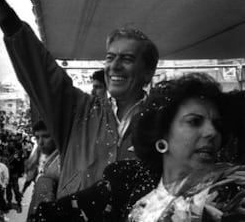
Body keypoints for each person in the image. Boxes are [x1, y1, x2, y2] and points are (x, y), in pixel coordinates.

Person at [0, 0, 159, 198]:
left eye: (127, 59)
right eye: (110, 57)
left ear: (148, 72)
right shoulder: (79, 113)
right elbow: (39, 69)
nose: (114, 66)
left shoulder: (164, 123)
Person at [35, 73, 245, 222]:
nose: (212, 133)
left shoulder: (231, 193)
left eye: (217, 125)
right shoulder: (125, 183)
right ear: (162, 134)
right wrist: (45, 182)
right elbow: (47, 214)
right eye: (195, 121)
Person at [25, 120, 60, 221]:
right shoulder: (38, 155)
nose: (40, 142)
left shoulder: (61, 161)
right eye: (37, 137)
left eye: (46, 136)